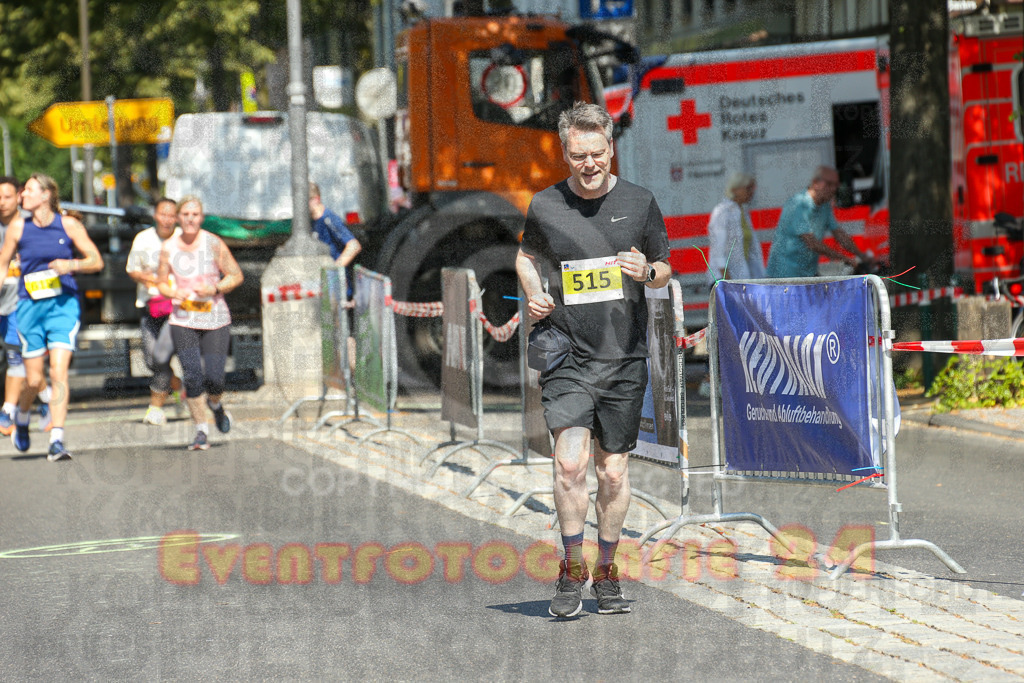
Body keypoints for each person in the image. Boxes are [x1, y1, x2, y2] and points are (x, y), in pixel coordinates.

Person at [516, 102, 671, 618]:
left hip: (622, 356)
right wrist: (535, 293)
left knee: (613, 472)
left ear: (610, 149)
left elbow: (665, 268)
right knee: (569, 464)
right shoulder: (546, 205)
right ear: (565, 154)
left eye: (597, 154)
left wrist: (646, 272)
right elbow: (525, 257)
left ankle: (606, 570)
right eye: (579, 155)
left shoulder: (639, 201)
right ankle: (571, 567)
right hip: (567, 352)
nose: (589, 164)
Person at [0, 173, 104, 461]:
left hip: (63, 306)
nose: (22, 195)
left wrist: (71, 265)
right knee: (34, 380)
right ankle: (22, 416)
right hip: (29, 308)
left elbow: (96, 260)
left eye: (28, 190)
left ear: (45, 195)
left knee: (59, 372)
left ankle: (56, 439)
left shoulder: (68, 225)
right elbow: (3, 264)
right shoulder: (19, 227)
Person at [156, 196, 243, 451]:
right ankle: (201, 431)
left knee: (215, 379)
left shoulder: (213, 243)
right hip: (183, 319)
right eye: (185, 214)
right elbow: (160, 282)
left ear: (201, 218)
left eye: (195, 215)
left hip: (214, 318)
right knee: (192, 376)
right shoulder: (169, 247)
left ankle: (215, 405)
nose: (190, 219)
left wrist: (214, 288)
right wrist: (173, 292)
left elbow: (236, 275)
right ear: (178, 218)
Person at [699, 171, 765, 397]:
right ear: (736, 188)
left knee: (740, 332)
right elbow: (718, 250)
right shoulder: (722, 212)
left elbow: (750, 251)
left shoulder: (740, 212)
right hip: (724, 282)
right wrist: (726, 282)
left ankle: (736, 379)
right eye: (748, 188)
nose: (752, 192)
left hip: (740, 281)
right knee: (722, 332)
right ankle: (710, 380)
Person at [126, 197, 185, 425]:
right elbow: (132, 270)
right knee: (151, 359)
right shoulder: (143, 239)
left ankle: (155, 408)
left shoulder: (183, 239)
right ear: (155, 215)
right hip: (150, 304)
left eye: (171, 215)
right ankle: (177, 385)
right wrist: (147, 278)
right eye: (163, 214)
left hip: (177, 308)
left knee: (161, 357)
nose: (167, 220)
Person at [765, 165, 871, 278]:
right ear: (815, 183)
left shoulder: (825, 206)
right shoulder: (799, 205)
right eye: (829, 184)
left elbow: (839, 234)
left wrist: (861, 255)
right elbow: (812, 243)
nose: (833, 189)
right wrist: (844, 258)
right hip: (784, 275)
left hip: (807, 273)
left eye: (836, 185)